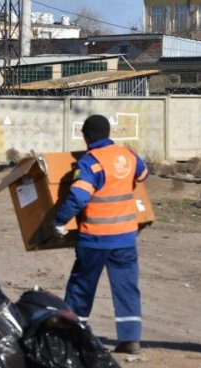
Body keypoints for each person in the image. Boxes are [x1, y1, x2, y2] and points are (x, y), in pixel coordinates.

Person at [53, 114, 150, 355]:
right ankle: (130, 339)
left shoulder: (90, 162)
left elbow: (79, 196)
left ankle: (73, 335)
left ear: (85, 136)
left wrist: (59, 221)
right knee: (127, 287)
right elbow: (144, 173)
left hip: (96, 237)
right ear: (108, 133)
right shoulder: (126, 155)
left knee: (81, 287)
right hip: (126, 236)